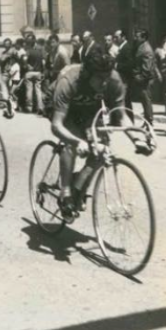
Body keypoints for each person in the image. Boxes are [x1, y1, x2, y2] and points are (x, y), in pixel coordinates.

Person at [50, 46, 150, 218]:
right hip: (64, 110)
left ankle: (77, 187)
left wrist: (136, 139)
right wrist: (77, 141)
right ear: (87, 74)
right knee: (71, 142)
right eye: (100, 79)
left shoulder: (114, 79)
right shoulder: (69, 81)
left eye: (107, 77)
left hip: (89, 109)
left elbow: (122, 116)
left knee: (101, 149)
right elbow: (57, 126)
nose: (105, 83)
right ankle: (65, 192)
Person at [131, 28, 156, 124]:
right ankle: (147, 121)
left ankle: (149, 121)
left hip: (146, 80)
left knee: (146, 101)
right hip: (143, 79)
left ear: (144, 37)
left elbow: (147, 68)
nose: (135, 38)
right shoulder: (140, 46)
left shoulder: (146, 49)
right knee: (144, 101)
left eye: (137, 36)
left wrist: (140, 77)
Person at [23, 34, 46, 114]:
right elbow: (43, 62)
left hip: (29, 73)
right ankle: (40, 107)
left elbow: (24, 59)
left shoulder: (28, 50)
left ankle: (29, 107)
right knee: (38, 90)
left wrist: (27, 65)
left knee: (29, 90)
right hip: (38, 72)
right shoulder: (40, 50)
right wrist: (43, 71)